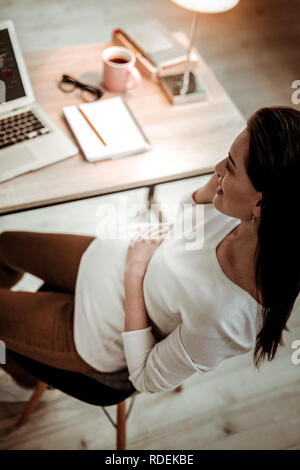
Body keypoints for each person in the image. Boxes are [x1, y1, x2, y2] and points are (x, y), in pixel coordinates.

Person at [0, 106, 299, 395]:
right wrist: (218, 186)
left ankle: (22, 377)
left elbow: (146, 377)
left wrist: (134, 273)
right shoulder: (242, 216)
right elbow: (190, 222)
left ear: (261, 204)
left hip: (95, 333)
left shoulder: (227, 317)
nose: (217, 168)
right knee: (6, 245)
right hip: (103, 263)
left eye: (230, 167)